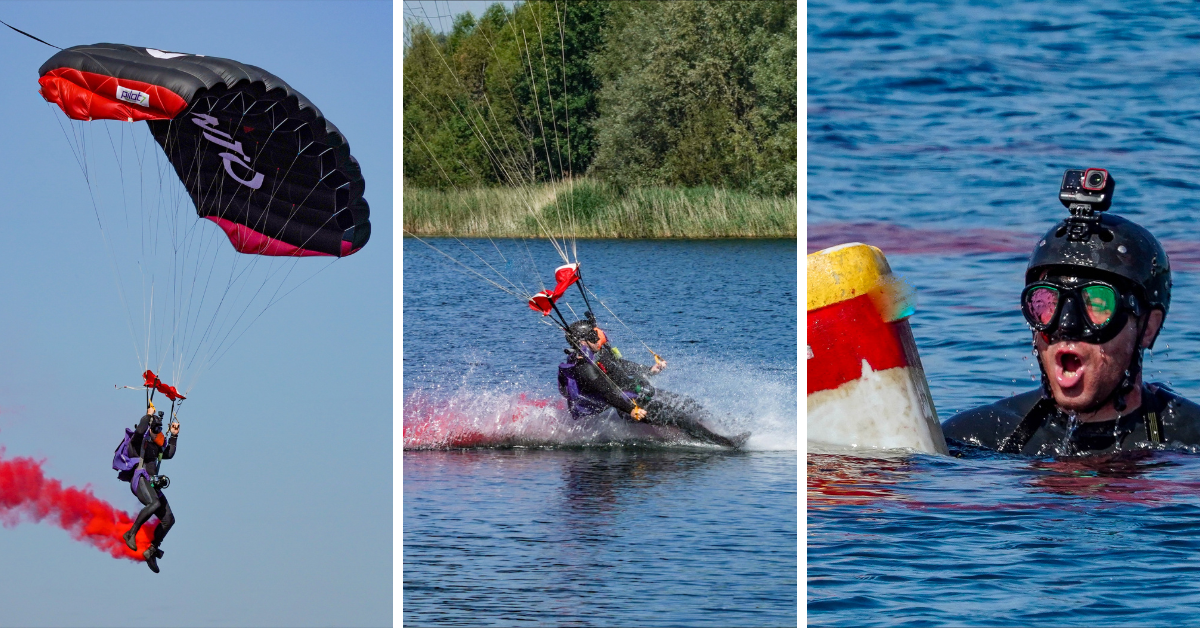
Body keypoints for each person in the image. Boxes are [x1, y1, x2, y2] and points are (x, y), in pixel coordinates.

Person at [943, 171, 1200, 455]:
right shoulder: (977, 436)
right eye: (1047, 303)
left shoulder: (1189, 441)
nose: (1065, 325)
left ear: (1148, 328)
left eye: (1097, 305)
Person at [558, 319, 746, 448]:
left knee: (687, 402)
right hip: (627, 405)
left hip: (631, 395)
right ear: (582, 341)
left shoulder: (598, 355)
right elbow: (607, 393)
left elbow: (622, 365)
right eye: (592, 337)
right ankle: (724, 442)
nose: (597, 338)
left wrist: (649, 370)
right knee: (680, 418)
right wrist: (631, 409)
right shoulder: (585, 366)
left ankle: (723, 424)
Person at [121, 402, 179, 573]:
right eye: (154, 428)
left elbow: (169, 453)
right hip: (139, 480)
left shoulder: (155, 447)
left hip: (152, 483)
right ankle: (130, 534)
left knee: (169, 519)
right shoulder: (138, 442)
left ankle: (152, 550)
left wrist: (174, 435)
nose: (157, 432)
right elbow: (140, 431)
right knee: (154, 504)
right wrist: (148, 415)